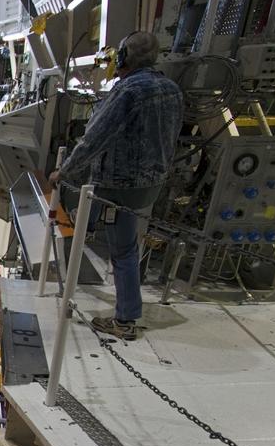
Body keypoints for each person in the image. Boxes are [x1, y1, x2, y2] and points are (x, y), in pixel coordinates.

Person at [49, 31, 183, 340]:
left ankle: (125, 320)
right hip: (151, 184)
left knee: (122, 251)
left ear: (124, 58)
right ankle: (96, 229)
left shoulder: (128, 92)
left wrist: (64, 172)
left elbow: (95, 139)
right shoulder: (172, 89)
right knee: (128, 243)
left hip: (119, 185)